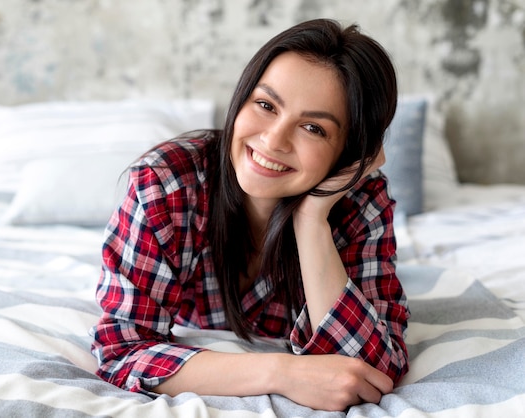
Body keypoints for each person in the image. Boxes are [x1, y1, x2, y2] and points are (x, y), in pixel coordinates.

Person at [91, 18, 409, 411]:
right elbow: (122, 350)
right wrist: (280, 373)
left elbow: (372, 370)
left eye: (313, 127)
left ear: (347, 153)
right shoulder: (167, 184)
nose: (273, 140)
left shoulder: (361, 203)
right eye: (265, 105)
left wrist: (312, 221)